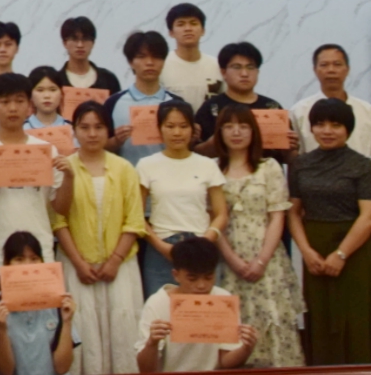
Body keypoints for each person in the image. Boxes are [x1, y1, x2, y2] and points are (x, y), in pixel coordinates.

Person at [287, 97, 371, 364]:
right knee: (321, 316)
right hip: (315, 249)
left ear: (348, 129)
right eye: (320, 124)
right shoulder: (300, 164)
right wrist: (306, 252)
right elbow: (293, 212)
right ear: (311, 128)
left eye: (336, 125)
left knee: (357, 317)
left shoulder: (362, 165)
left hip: (354, 249)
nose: (327, 131)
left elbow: (369, 216)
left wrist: (341, 254)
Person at [204, 104, 302, 368]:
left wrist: (261, 261)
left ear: (254, 131)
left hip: (267, 259)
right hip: (226, 260)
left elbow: (277, 216)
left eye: (243, 126)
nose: (236, 132)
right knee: (232, 329)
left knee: (272, 322)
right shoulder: (211, 168)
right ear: (219, 132)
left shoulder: (269, 167)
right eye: (229, 126)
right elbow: (212, 218)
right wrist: (233, 260)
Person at [49, 101, 143, 375]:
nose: (92, 134)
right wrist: (79, 263)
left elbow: (134, 221)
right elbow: (58, 221)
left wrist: (114, 260)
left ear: (108, 130)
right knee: (83, 329)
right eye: (85, 127)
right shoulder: (64, 167)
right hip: (77, 267)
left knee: (122, 331)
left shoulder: (124, 168)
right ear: (74, 131)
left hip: (120, 267)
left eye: (99, 127)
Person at [0, 74, 71, 294]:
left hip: (39, 252)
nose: (12, 108)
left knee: (41, 314)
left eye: (19, 101)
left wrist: (70, 177)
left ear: (29, 106)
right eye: (4, 102)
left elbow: (61, 207)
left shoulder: (46, 150)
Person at [135, 100, 226, 296]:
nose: (177, 132)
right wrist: (162, 247)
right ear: (159, 129)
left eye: (183, 126)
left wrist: (205, 242)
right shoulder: (146, 165)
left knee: (201, 310)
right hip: (162, 248)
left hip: (201, 245)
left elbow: (221, 214)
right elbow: (137, 215)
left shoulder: (207, 165)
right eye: (170, 126)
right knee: (162, 309)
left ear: (193, 129)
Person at [133, 238, 257, 373]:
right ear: (176, 275)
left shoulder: (223, 299)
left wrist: (246, 348)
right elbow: (146, 370)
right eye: (192, 279)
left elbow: (225, 361)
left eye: (208, 277)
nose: (201, 285)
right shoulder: (158, 303)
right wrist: (152, 343)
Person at [0, 234, 76, 375]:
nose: (27, 265)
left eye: (34, 259)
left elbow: (62, 368)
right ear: (6, 264)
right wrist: (1, 328)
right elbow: (5, 371)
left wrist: (67, 322)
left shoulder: (57, 301)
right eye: (19, 259)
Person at [290, 44, 371, 157]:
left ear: (347, 69)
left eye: (337, 64)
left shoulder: (368, 111)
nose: (331, 70)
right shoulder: (299, 111)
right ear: (315, 70)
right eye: (324, 65)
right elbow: (296, 157)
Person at [104, 32, 178, 167]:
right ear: (130, 62)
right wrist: (116, 141)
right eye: (141, 57)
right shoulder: (113, 103)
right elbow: (98, 148)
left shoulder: (177, 103)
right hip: (127, 177)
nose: (149, 62)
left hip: (169, 176)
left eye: (156, 57)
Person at [193, 44, 286, 147]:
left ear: (257, 72)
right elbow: (194, 151)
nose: (244, 73)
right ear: (223, 72)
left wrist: (290, 149)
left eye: (250, 67)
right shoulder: (211, 108)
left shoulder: (272, 107)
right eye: (237, 67)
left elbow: (286, 153)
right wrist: (213, 145)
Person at [159, 4, 219, 108]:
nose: (188, 28)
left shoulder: (217, 65)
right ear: (171, 32)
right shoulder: (161, 66)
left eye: (193, 23)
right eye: (181, 24)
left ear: (203, 30)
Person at [52, 18, 119, 94]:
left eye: (85, 39)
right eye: (74, 39)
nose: (80, 45)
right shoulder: (56, 81)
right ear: (64, 43)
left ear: (93, 43)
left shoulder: (108, 79)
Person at [24, 67, 68, 133]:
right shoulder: (21, 129)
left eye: (53, 90)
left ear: (61, 94)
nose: (47, 96)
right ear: (30, 95)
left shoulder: (71, 128)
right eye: (40, 90)